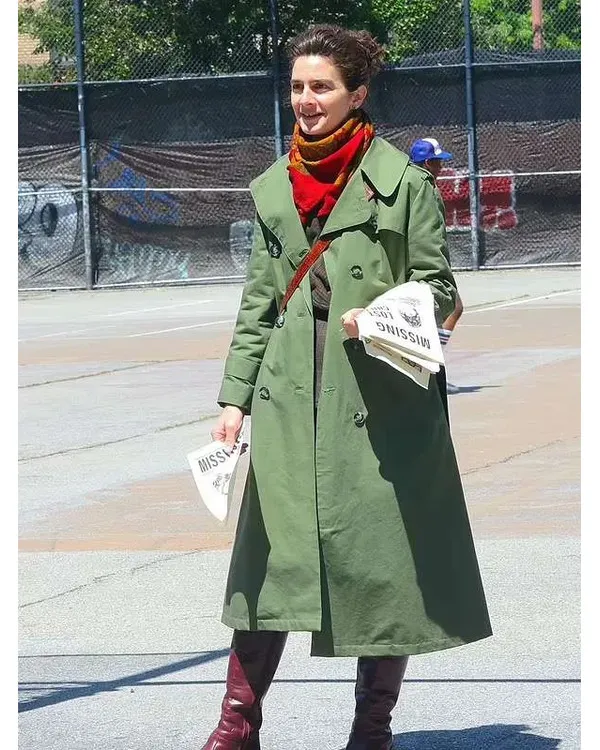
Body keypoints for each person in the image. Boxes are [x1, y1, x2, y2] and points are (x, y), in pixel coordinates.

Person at [203, 25, 492, 750]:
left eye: (321, 86)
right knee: (266, 568)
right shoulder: (275, 187)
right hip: (291, 394)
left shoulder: (403, 183)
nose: (306, 100)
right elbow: (257, 306)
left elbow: (441, 288)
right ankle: (237, 727)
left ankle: (372, 731)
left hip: (378, 398)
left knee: (379, 569)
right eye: (298, 86)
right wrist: (234, 400)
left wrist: (385, 313)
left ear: (356, 94)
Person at [409, 137, 464, 396]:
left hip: (429, 266)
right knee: (451, 307)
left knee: (452, 308)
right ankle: (427, 364)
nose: (442, 168)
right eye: (438, 163)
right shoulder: (423, 188)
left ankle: (429, 362)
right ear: (428, 163)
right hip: (424, 270)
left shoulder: (417, 185)